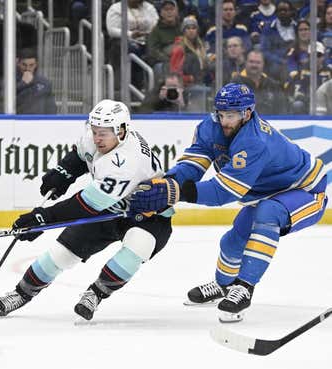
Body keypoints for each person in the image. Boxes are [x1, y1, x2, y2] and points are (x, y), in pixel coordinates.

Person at [129, 83, 328, 322]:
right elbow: (192, 165)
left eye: (230, 116)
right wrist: (167, 184)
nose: (223, 121)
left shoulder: (255, 141)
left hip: (305, 191)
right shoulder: (209, 127)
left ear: (247, 113)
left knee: (269, 212)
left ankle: (243, 288)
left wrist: (175, 193)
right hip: (267, 193)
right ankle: (224, 286)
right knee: (232, 242)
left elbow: (224, 192)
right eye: (220, 114)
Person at [0, 100, 173, 321]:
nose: (97, 138)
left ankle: (96, 294)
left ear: (122, 131)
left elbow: (86, 204)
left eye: (103, 134)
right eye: (95, 131)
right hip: (109, 211)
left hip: (148, 218)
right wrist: (63, 173)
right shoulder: (98, 136)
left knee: (138, 246)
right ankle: (21, 293)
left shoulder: (126, 161)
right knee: (60, 255)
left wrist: (43, 217)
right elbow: (79, 156)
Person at [231, 50, 285, 114]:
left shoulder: (272, 84)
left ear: (263, 64)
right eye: (251, 62)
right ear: (245, 63)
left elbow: (281, 109)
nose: (254, 65)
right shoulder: (235, 83)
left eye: (258, 62)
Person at [16, 48, 57, 114]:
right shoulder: (10, 82)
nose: (27, 69)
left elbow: (51, 108)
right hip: (18, 122)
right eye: (24, 65)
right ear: (18, 63)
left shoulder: (45, 83)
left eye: (31, 65)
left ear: (36, 64)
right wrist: (23, 84)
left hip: (39, 123)